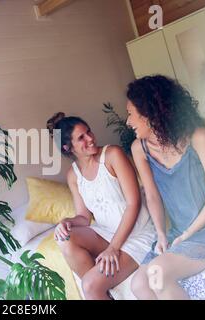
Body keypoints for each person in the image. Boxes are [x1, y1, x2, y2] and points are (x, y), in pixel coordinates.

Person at [126, 75, 205, 300]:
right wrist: (162, 234)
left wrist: (187, 234)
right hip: (179, 230)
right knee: (138, 284)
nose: (128, 122)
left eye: (130, 114)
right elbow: (152, 196)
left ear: (149, 113)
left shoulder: (198, 137)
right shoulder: (140, 149)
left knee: (159, 273)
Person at [46, 112, 155, 300]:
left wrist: (113, 248)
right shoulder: (73, 175)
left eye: (88, 132)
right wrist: (66, 221)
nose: (90, 138)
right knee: (64, 238)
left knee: (89, 285)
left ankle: (98, 286)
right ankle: (105, 290)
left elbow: (133, 203)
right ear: (67, 147)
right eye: (81, 138)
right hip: (106, 232)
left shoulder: (113, 155)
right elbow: (84, 217)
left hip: (137, 233)